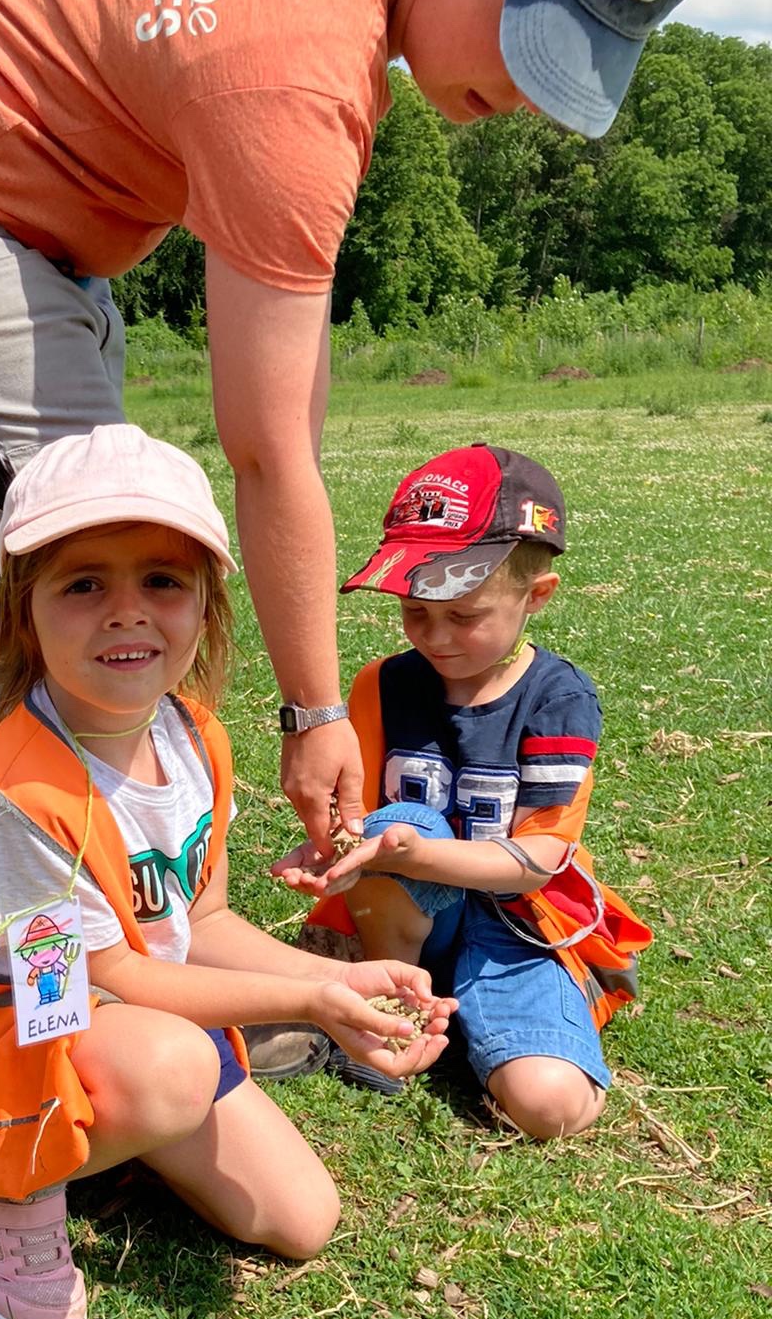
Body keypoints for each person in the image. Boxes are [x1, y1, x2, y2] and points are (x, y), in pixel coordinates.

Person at [0, 0, 709, 871]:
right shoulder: (293, 79)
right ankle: (73, 925)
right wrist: (314, 712)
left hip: (19, 224)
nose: (532, 101)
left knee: (16, 559)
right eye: (535, 46)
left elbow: (295, 406)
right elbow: (269, 449)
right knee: (99, 568)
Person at [0, 425, 457, 1319]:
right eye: (84, 584)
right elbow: (89, 987)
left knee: (302, 1218)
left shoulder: (196, 740)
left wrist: (339, 982)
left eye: (163, 581)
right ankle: (3, 1182)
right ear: (23, 614)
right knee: (175, 1066)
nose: (127, 612)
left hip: (123, 1028)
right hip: (9, 1049)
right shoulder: (18, 802)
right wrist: (314, 1001)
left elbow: (201, 923)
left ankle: (119, 1130)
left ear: (207, 608)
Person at [274, 443, 652, 1139]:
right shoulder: (383, 684)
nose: (435, 636)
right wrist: (332, 849)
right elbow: (359, 818)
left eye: (464, 614)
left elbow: (537, 861)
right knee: (403, 818)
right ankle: (391, 1003)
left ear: (536, 597)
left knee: (548, 1108)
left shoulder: (558, 699)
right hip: (404, 919)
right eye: (416, 611)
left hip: (518, 924)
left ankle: (529, 1010)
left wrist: (405, 852)